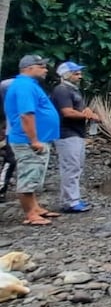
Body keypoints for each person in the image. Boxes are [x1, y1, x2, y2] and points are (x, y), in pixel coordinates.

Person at [3, 55, 61, 226]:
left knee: (35, 174)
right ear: (29, 68)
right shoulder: (24, 86)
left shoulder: (29, 85)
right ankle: (30, 214)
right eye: (41, 66)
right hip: (28, 140)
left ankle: (35, 208)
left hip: (38, 138)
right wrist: (34, 140)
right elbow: (26, 114)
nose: (45, 69)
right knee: (29, 174)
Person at [50, 61, 100, 213]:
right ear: (66, 75)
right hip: (66, 133)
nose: (80, 76)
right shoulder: (62, 90)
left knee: (77, 166)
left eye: (79, 73)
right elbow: (68, 112)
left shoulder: (74, 91)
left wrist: (91, 114)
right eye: (76, 73)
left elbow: (81, 109)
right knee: (70, 167)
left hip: (77, 133)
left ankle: (73, 198)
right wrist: (85, 115)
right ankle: (70, 202)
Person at [0, 78, 15, 201]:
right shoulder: (8, 85)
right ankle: (1, 188)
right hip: (12, 131)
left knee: (11, 161)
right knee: (10, 161)